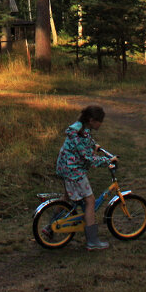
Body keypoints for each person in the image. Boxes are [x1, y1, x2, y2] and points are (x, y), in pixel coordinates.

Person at [55, 105, 116, 250]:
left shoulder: (79, 128)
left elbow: (86, 143)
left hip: (64, 167)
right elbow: (88, 159)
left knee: (67, 196)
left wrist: (94, 146)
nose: (100, 124)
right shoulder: (81, 134)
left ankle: (51, 226)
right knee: (90, 201)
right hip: (73, 171)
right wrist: (108, 161)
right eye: (99, 121)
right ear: (91, 120)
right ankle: (93, 242)